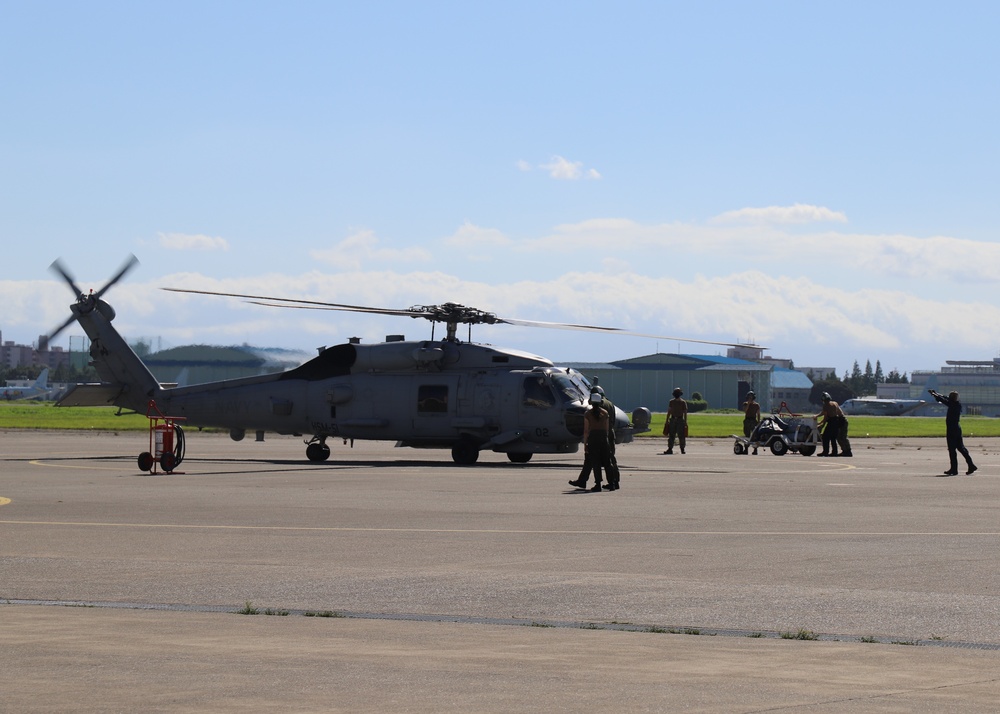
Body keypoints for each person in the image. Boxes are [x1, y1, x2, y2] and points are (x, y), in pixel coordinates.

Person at [569, 388, 621, 491]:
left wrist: (585, 443)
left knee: (592, 460)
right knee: (609, 460)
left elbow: (587, 429)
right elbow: (613, 420)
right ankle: (614, 481)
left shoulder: (590, 413)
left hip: (595, 437)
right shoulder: (610, 404)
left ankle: (591, 482)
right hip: (607, 435)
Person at [929, 389, 977, 476]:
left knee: (952, 450)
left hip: (952, 429)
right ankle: (971, 465)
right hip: (957, 429)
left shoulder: (952, 404)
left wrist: (934, 394)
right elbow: (945, 398)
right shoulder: (957, 404)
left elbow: (943, 400)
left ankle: (954, 469)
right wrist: (936, 393)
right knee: (961, 448)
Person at [579, 392, 614, 491]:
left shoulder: (587, 414)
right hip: (603, 438)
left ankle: (598, 484)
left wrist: (585, 444)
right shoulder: (605, 413)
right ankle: (611, 483)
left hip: (593, 438)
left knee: (596, 462)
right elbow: (606, 429)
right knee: (607, 462)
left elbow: (586, 431)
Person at [815, 392, 852, 457]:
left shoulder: (826, 405)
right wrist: (821, 423)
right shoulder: (835, 403)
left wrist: (816, 417)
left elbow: (825, 416)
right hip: (838, 421)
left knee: (826, 437)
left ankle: (826, 451)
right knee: (834, 437)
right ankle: (840, 451)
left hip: (836, 421)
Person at [663, 387, 687, 455]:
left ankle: (682, 449)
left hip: (680, 420)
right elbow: (669, 411)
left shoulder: (683, 402)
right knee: (671, 435)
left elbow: (685, 413)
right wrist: (667, 420)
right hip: (673, 419)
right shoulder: (671, 402)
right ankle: (670, 449)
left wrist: (685, 422)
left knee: (681, 435)